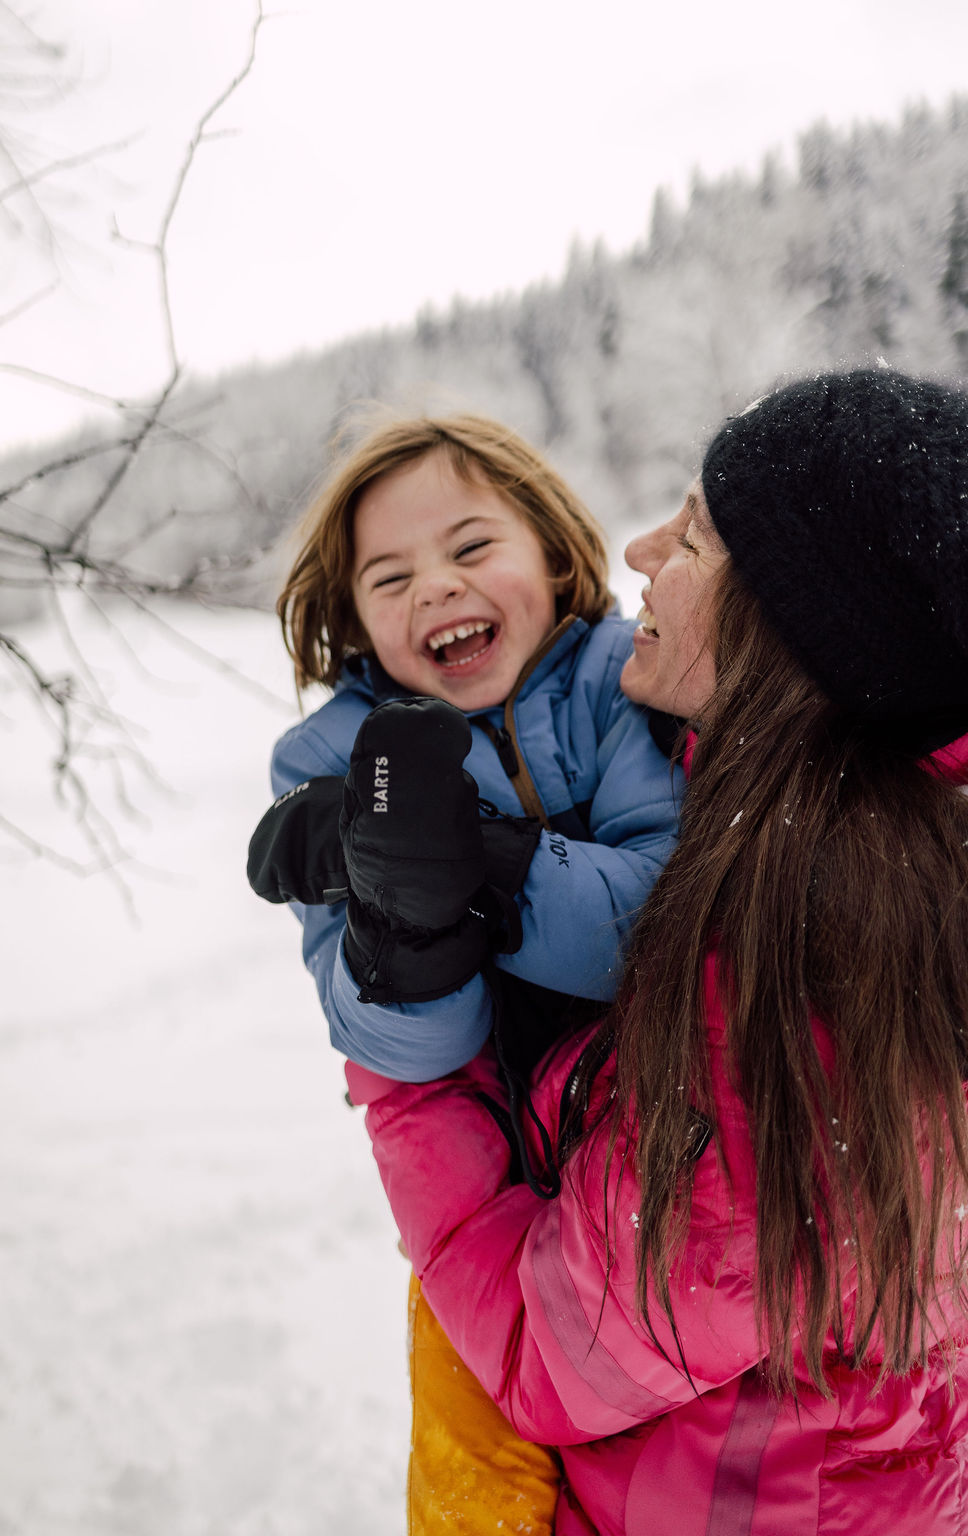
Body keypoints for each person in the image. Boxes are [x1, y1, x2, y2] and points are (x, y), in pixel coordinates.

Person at [343, 368, 968, 1534]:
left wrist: (410, 1012)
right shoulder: (809, 853)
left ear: (804, 630)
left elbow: (541, 1350)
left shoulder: (821, 995)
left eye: (698, 536)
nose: (640, 549)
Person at [246, 412, 681, 1534]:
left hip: (654, 1164)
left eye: (470, 548)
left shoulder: (620, 687)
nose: (434, 588)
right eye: (389, 577)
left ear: (550, 548)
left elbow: (664, 925)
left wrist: (483, 864)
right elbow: (398, 1050)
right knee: (472, 1479)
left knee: (669, 1460)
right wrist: (404, 930)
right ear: (352, 626)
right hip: (477, 1193)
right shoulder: (330, 771)